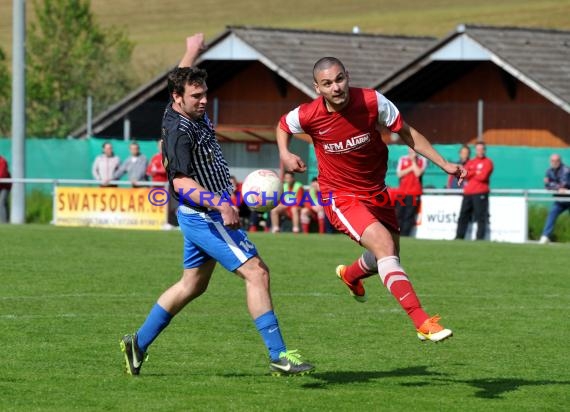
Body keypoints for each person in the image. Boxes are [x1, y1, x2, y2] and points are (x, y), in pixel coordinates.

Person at [119, 33, 313, 377]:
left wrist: (191, 50)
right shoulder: (179, 130)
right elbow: (180, 182)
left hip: (200, 216)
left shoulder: (178, 104)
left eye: (205, 93)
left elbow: (180, 77)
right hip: (207, 216)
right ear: (178, 99)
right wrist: (219, 205)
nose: (204, 100)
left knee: (192, 284)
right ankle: (280, 355)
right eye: (196, 96)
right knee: (257, 273)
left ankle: (138, 343)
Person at [276, 57, 466, 343]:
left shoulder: (372, 101)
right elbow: (282, 125)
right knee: (384, 246)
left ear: (347, 76)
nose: (336, 87)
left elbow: (407, 133)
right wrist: (285, 153)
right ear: (318, 88)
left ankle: (350, 275)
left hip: (376, 191)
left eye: (340, 79)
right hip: (339, 195)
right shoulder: (307, 114)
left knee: (387, 257)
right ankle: (421, 321)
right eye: (327, 83)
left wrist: (445, 164)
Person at [455, 142, 493, 240]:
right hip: (468, 193)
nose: (480, 151)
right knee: (463, 215)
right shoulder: (471, 162)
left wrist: (471, 173)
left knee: (480, 216)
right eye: (478, 149)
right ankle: (459, 236)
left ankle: (480, 238)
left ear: (484, 150)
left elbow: (483, 177)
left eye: (481, 149)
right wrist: (475, 172)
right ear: (475, 150)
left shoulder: (488, 162)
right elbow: (463, 174)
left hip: (480, 192)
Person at [395, 147, 427, 236]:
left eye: (413, 149)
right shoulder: (403, 159)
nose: (412, 151)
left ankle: (405, 235)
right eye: (410, 149)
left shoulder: (422, 160)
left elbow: (418, 173)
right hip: (402, 192)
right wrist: (411, 168)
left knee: (409, 215)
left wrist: (413, 162)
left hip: (414, 193)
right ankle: (396, 234)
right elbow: (399, 174)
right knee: (399, 214)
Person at [539, 154, 570, 244]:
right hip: (560, 199)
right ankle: (545, 236)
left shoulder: (566, 170)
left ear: (560, 161)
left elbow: (564, 184)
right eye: (552, 161)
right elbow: (547, 185)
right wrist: (556, 186)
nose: (554, 163)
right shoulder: (548, 171)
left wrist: (553, 185)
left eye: (556, 161)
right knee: (552, 214)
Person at [147, 139, 178, 228]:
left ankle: (171, 223)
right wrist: (153, 171)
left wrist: (156, 170)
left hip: (166, 186)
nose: (161, 147)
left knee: (169, 207)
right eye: (160, 145)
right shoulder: (154, 157)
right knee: (158, 206)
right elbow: (149, 170)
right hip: (156, 186)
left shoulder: (168, 157)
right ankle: (159, 222)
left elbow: (166, 170)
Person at [0, 155, 11, 223]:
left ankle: (4, 222)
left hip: (5, 186)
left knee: (1, 203)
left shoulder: (2, 161)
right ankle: (6, 220)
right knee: (4, 203)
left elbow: (2, 175)